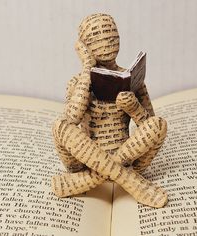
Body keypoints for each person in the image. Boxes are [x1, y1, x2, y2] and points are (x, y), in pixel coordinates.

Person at [51, 13, 168, 208]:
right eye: (97, 39)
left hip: (128, 158)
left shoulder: (131, 79)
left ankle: (91, 179)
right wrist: (88, 69)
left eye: (111, 37)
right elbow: (71, 119)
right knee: (60, 127)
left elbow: (149, 123)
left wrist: (134, 109)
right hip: (83, 161)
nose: (106, 44)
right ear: (83, 46)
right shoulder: (76, 82)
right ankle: (130, 181)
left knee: (159, 125)